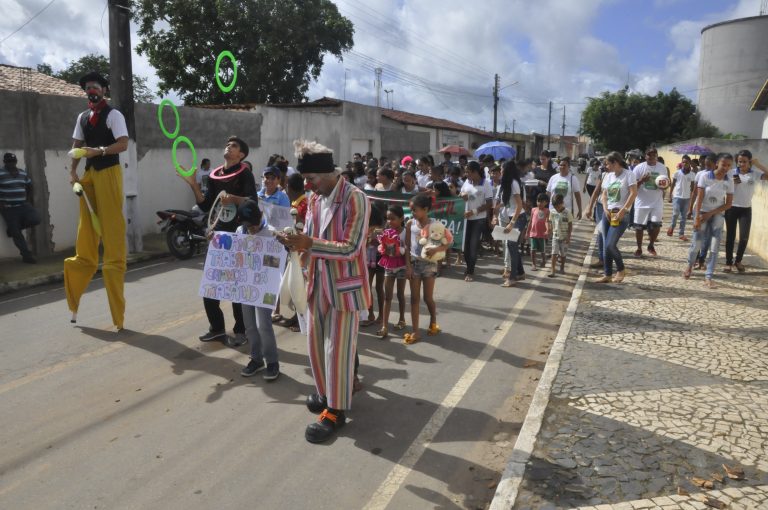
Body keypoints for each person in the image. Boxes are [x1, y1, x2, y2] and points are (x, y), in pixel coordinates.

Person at [277, 140, 370, 444]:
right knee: (316, 345)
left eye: (311, 178)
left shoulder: (356, 199)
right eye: (305, 179)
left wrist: (310, 244)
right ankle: (326, 392)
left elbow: (352, 248)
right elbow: (310, 236)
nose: (307, 185)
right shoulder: (316, 199)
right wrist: (295, 243)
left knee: (337, 350)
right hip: (316, 282)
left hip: (344, 287)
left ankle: (336, 410)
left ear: (329, 173)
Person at [65, 71, 129, 329]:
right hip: (90, 175)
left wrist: (99, 151)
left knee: (112, 234)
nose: (91, 90)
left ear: (104, 90)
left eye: (95, 86)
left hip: (109, 173)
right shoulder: (82, 117)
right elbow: (76, 146)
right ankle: (81, 271)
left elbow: (123, 144)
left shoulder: (114, 115)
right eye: (88, 88)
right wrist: (72, 172)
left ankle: (117, 315)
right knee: (86, 234)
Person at [181, 136, 257, 345]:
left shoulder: (245, 173)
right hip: (218, 238)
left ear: (241, 154)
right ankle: (216, 328)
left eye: (234, 146)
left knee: (236, 287)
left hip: (239, 236)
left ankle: (241, 330)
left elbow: (253, 202)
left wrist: (234, 199)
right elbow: (207, 205)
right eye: (227, 144)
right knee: (211, 286)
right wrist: (193, 185)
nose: (228, 147)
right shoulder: (215, 175)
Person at [235, 199, 280, 380]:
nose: (252, 230)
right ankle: (256, 359)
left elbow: (277, 264)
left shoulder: (272, 234)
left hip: (265, 287)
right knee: (250, 326)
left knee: (264, 325)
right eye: (249, 227)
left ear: (260, 216)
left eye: (254, 225)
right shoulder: (240, 232)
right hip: (247, 286)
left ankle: (272, 362)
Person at [403, 193, 452, 344]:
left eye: (415, 210)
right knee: (414, 299)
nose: (412, 213)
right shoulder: (410, 224)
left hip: (430, 265)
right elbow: (407, 246)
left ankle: (433, 321)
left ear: (425, 209)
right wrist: (408, 266)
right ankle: (415, 331)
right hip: (414, 264)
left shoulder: (435, 225)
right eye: (411, 210)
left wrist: (436, 250)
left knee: (427, 298)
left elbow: (448, 242)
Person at [683, 153, 735, 287]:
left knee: (714, 246)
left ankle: (709, 276)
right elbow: (699, 197)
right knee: (696, 244)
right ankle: (689, 265)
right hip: (701, 212)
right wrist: (697, 217)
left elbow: (728, 204)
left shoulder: (729, 181)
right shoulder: (705, 176)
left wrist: (710, 214)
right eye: (723, 164)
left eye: (729, 165)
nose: (726, 167)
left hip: (717, 214)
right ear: (717, 163)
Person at [598, 151, 638, 283]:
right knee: (606, 244)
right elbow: (604, 194)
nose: (606, 166)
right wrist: (605, 208)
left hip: (620, 214)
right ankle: (607, 274)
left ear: (615, 163)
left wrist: (624, 210)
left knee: (610, 244)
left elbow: (633, 193)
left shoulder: (629, 175)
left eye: (608, 164)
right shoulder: (608, 176)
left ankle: (621, 269)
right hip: (607, 213)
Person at [723, 150, 766, 273]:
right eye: (739, 161)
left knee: (744, 238)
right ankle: (728, 263)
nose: (741, 164)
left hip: (746, 210)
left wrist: (758, 164)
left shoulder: (754, 174)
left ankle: (738, 261)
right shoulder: (732, 172)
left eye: (744, 162)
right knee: (730, 237)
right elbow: (729, 185)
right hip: (731, 208)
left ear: (749, 162)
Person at [0, 153, 40, 263]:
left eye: (13, 161)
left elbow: (30, 186)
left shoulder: (22, 173)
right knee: (17, 234)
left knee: (36, 219)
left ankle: (13, 229)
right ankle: (27, 256)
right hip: (9, 208)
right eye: (8, 161)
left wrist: (28, 199)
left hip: (23, 205)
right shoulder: (1, 173)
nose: (11, 164)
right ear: (5, 162)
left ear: (16, 162)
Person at [376, 204, 408, 338]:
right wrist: (382, 248)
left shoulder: (406, 232)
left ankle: (402, 319)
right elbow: (382, 246)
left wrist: (401, 251)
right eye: (388, 218)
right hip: (389, 266)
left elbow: (408, 250)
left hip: (402, 267)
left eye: (393, 218)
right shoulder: (386, 232)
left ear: (401, 218)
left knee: (400, 294)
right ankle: (384, 326)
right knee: (387, 296)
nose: (389, 221)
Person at [459, 161, 493, 282]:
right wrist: (462, 194)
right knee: (465, 246)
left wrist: (473, 211)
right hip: (466, 219)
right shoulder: (467, 182)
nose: (466, 174)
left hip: (478, 219)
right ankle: (469, 266)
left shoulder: (486, 184)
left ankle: (470, 271)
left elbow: (489, 204)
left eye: (468, 172)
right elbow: (461, 193)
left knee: (473, 245)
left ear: (475, 172)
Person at [495, 160, 524, 287]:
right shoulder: (506, 183)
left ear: (507, 170)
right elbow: (508, 202)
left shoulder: (514, 184)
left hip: (518, 217)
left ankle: (512, 277)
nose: (500, 171)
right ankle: (521, 273)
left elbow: (519, 205)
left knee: (511, 245)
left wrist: (512, 223)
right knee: (512, 245)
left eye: (502, 169)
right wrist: (498, 207)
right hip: (512, 216)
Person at [631, 148, 666, 257]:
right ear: (645, 156)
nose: (651, 157)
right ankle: (639, 248)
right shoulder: (638, 168)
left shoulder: (662, 167)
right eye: (649, 155)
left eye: (654, 155)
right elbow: (632, 186)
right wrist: (642, 180)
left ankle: (651, 245)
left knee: (656, 225)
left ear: (657, 156)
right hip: (641, 202)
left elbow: (666, 183)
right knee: (639, 227)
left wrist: (664, 186)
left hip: (657, 202)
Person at [361, 205, 385, 328]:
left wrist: (381, 239)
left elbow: (390, 243)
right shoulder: (364, 226)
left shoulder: (385, 226)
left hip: (380, 259)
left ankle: (381, 315)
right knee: (367, 286)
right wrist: (369, 239)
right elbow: (363, 245)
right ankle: (370, 315)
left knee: (379, 287)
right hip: (368, 259)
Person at [667, 155, 696, 241]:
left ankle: (681, 233)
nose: (685, 164)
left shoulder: (692, 174)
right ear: (681, 163)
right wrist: (670, 195)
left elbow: (692, 188)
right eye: (683, 162)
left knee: (684, 216)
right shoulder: (677, 173)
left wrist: (692, 198)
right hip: (677, 196)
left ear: (690, 163)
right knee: (675, 213)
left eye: (687, 162)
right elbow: (673, 185)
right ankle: (672, 226)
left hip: (686, 198)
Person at [547, 194, 573, 277]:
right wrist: (549, 229)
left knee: (563, 254)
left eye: (558, 207)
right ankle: (553, 270)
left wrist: (568, 236)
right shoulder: (552, 212)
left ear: (562, 203)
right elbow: (550, 221)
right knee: (554, 253)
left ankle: (562, 267)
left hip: (564, 237)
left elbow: (570, 225)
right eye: (555, 207)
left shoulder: (567, 212)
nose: (556, 209)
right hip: (555, 236)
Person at [527, 194, 550, 271]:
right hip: (533, 233)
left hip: (542, 234)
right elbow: (530, 221)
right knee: (533, 249)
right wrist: (527, 232)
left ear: (546, 203)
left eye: (542, 202)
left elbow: (547, 221)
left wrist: (547, 230)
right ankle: (533, 264)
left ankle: (543, 261)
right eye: (538, 201)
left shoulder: (547, 211)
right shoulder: (533, 210)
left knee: (542, 250)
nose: (539, 203)